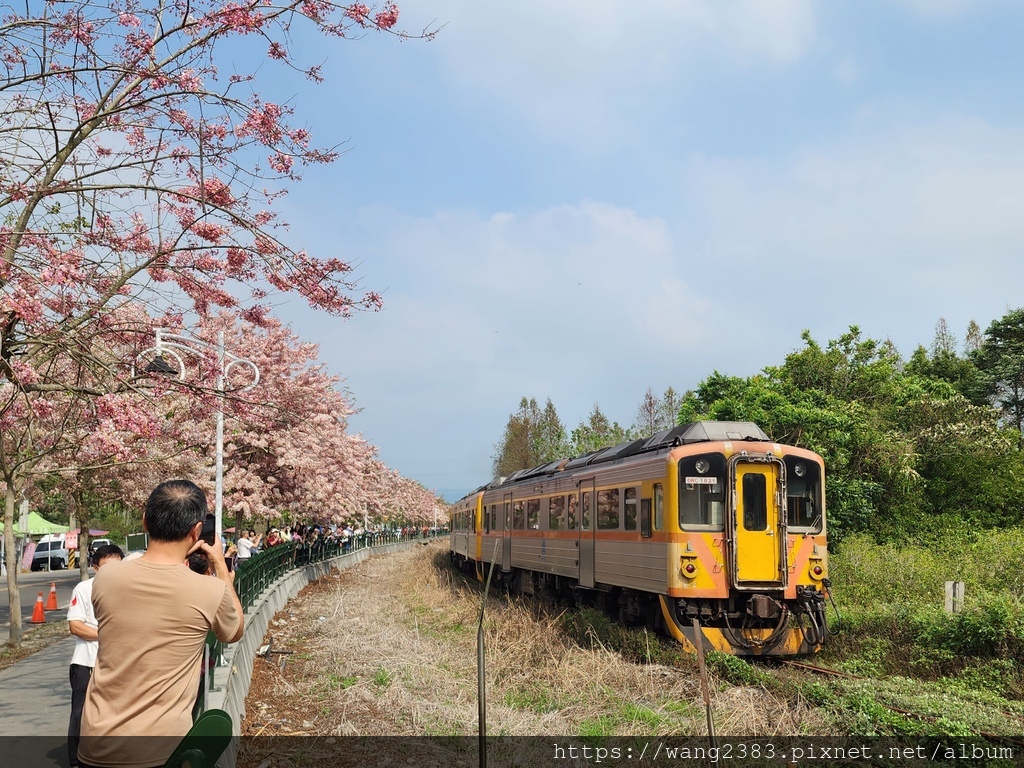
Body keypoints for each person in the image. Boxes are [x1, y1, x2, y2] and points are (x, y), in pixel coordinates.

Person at [78, 480, 244, 768]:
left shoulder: (106, 578)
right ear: (196, 531)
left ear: (145, 521)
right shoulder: (208, 591)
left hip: (96, 744)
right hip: (160, 750)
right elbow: (234, 631)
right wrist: (218, 563)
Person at [67, 543, 125, 768]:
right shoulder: (83, 589)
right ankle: (75, 760)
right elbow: (76, 626)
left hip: (118, 664)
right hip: (86, 662)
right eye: (107, 568)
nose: (113, 573)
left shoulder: (129, 589)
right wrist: (106, 635)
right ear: (95, 568)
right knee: (81, 713)